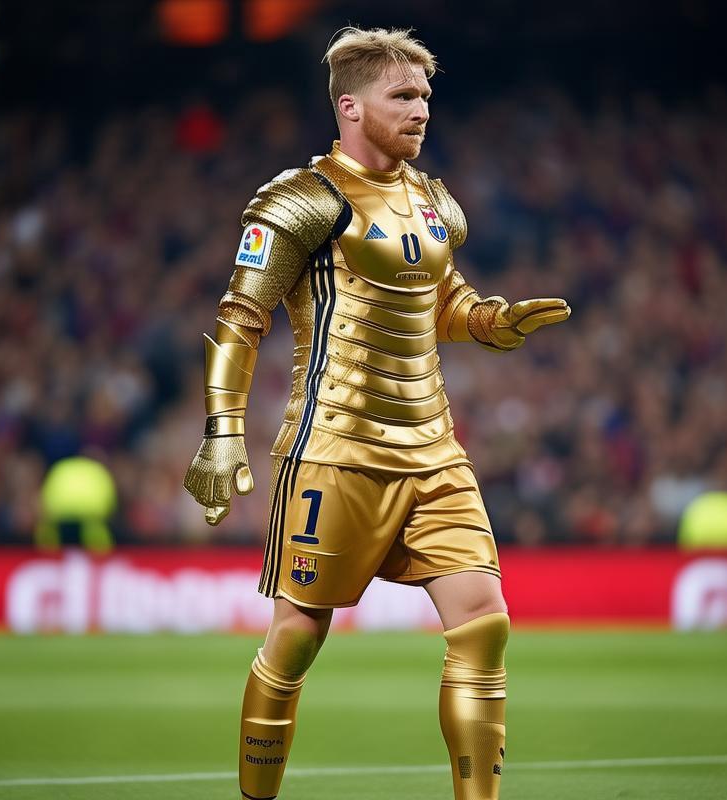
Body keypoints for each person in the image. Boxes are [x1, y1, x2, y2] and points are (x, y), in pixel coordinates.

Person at [184, 26, 570, 800]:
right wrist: (223, 434)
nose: (422, 109)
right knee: (298, 635)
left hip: (435, 450)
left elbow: (441, 304)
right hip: (335, 450)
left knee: (484, 622)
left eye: (425, 95)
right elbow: (240, 318)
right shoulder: (302, 200)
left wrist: (491, 321)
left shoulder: (434, 201)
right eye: (403, 95)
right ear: (351, 107)